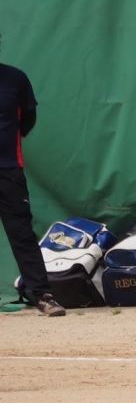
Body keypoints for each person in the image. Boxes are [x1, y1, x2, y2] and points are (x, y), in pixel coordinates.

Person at [0, 36, 65, 316]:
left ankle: (42, 296)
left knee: (22, 235)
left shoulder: (15, 79)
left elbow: (28, 117)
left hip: (8, 171)